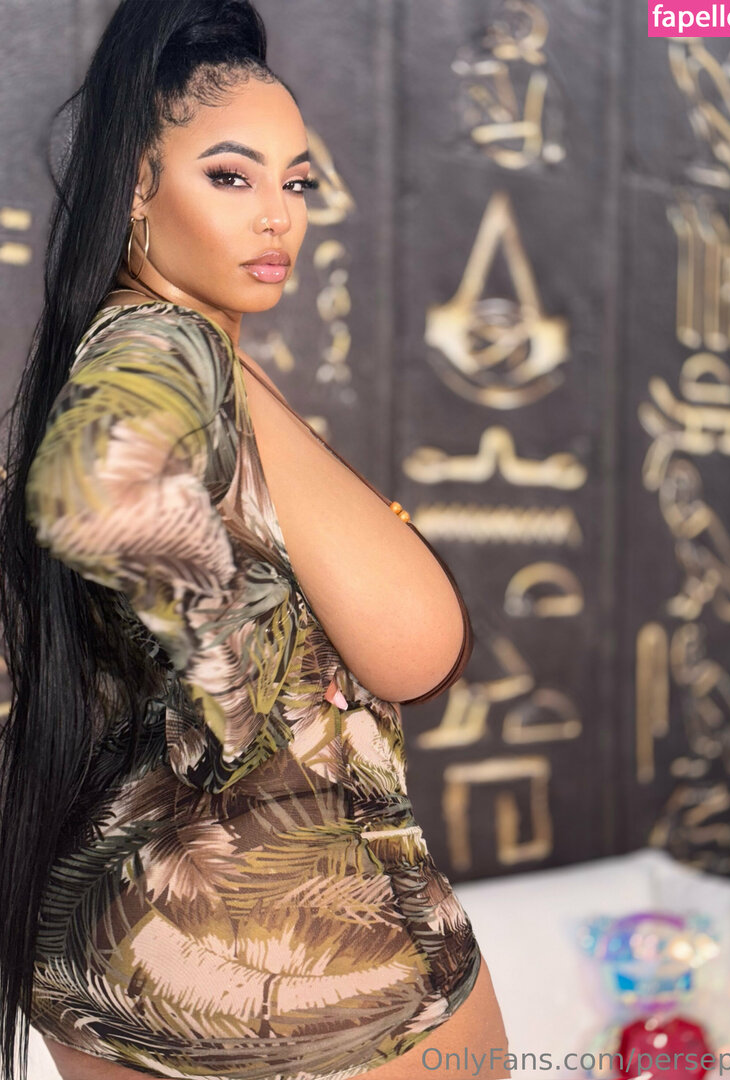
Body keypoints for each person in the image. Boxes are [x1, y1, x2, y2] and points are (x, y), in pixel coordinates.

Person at [0, 2, 512, 1079]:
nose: (278, 217)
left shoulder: (167, 349)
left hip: (116, 956)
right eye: (231, 177)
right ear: (138, 187)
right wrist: (228, 671)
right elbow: (95, 489)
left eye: (298, 182)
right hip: (294, 967)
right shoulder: (159, 344)